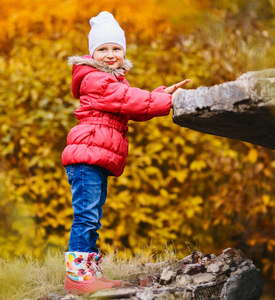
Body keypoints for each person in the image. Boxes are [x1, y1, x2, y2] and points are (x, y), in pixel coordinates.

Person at [62, 11, 190, 295]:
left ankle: (89, 271)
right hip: (87, 155)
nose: (111, 55)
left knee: (92, 215)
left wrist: (160, 92)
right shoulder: (96, 79)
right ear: (92, 53)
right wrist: (166, 101)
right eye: (103, 49)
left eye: (116, 49)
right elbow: (128, 101)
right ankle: (78, 278)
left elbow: (131, 107)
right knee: (86, 216)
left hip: (94, 155)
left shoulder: (113, 80)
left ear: (124, 51)